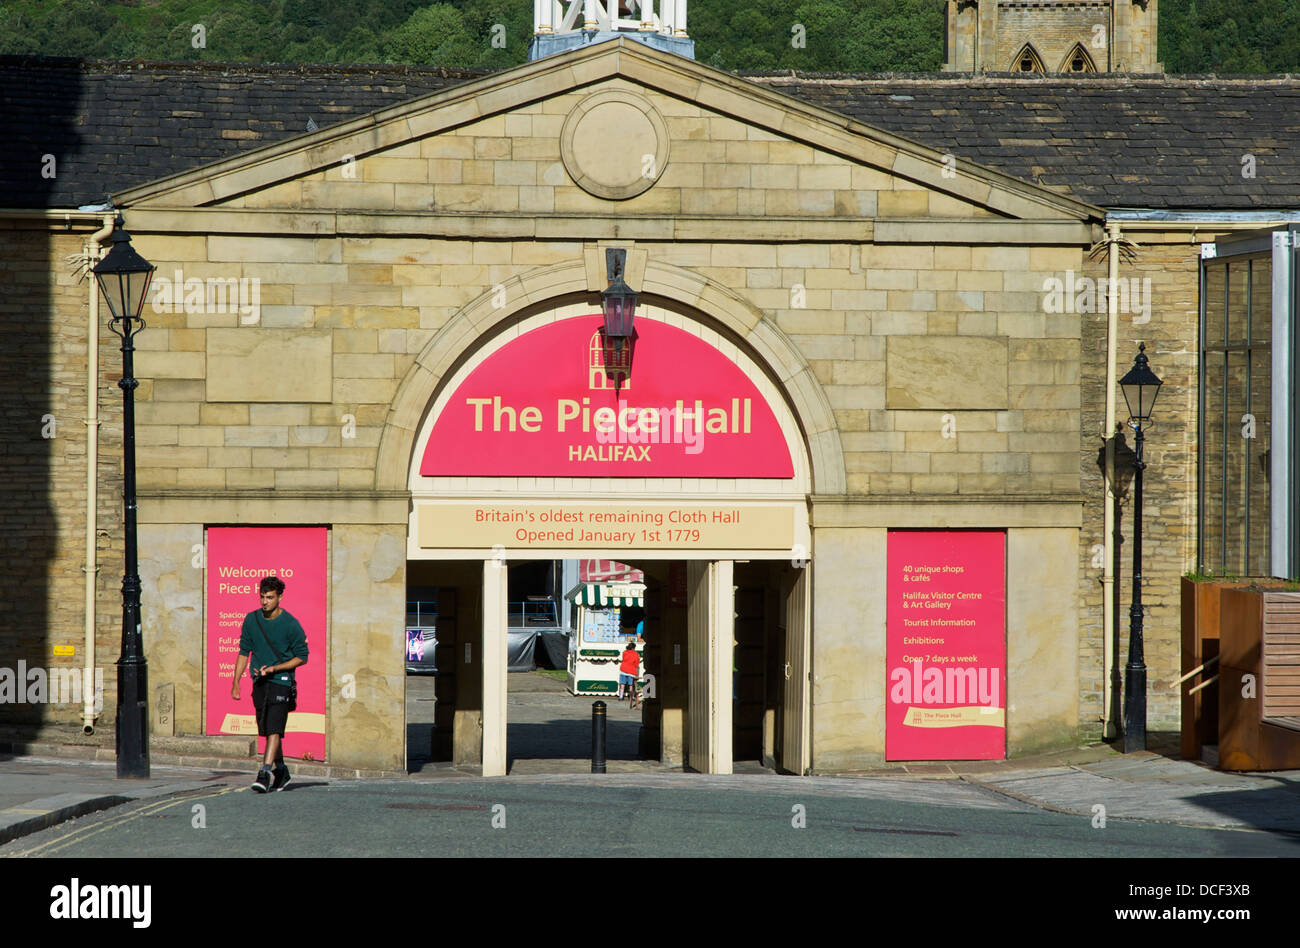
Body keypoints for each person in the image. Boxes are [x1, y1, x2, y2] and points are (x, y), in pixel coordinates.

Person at [231, 575, 309, 792]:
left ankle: (264, 773)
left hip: (281, 682)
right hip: (259, 682)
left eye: (270, 597)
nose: (265, 601)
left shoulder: (290, 624)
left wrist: (276, 668)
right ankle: (282, 770)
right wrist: (235, 681)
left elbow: (302, 656)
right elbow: (243, 652)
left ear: (280, 598)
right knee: (267, 729)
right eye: (262, 597)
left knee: (274, 728)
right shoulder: (251, 620)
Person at [617, 639, 640, 704]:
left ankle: (621, 697)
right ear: (634, 648)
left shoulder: (625, 652)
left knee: (622, 683)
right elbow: (637, 663)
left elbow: (624, 659)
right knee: (630, 684)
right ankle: (631, 697)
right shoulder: (636, 654)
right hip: (631, 670)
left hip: (623, 669)